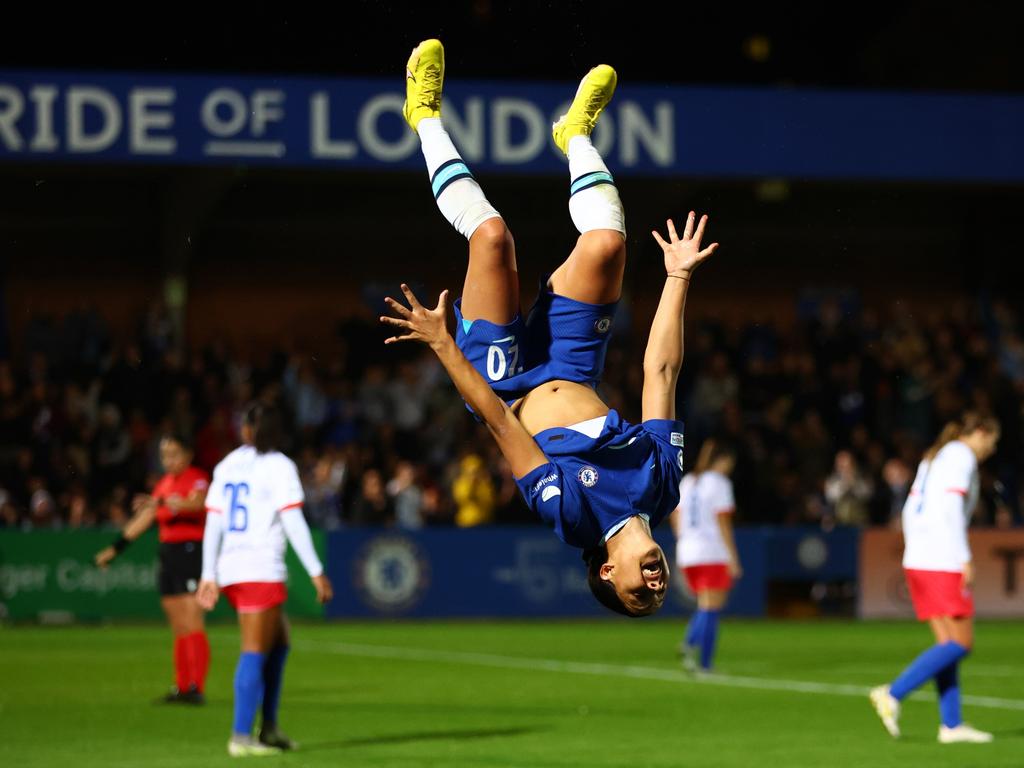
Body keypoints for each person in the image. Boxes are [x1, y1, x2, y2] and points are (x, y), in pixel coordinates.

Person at [382, 39, 718, 616]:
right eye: (659, 596)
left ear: (608, 572)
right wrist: (677, 278)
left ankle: (424, 117)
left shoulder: (571, 517)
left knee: (491, 237)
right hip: (572, 362)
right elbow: (660, 370)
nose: (656, 586)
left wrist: (443, 344)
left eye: (639, 594)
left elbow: (496, 421)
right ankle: (575, 135)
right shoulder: (663, 486)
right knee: (609, 244)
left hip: (505, 381)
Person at [196, 404, 333, 757]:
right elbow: (293, 522)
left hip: (232, 568)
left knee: (280, 642)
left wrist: (210, 574)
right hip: (259, 567)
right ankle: (241, 737)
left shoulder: (227, 464)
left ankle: (269, 727)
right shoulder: (279, 465)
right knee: (254, 651)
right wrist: (316, 571)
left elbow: (213, 521)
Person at [869, 412, 1001, 744]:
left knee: (947, 644)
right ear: (981, 432)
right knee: (961, 642)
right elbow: (951, 511)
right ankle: (893, 693)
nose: (991, 450)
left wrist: (914, 550)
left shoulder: (936, 456)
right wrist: (964, 556)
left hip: (921, 558)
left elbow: (910, 510)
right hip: (942, 558)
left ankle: (951, 726)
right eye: (992, 442)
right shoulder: (960, 456)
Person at [95, 433, 210, 703]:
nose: (168, 460)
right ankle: (182, 686)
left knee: (193, 619)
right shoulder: (165, 484)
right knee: (178, 624)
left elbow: (198, 503)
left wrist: (162, 502)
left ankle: (197, 687)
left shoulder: (196, 478)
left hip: (190, 551)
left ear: (188, 455)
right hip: (168, 554)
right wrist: (115, 549)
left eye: (173, 454)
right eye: (164, 455)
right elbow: (145, 517)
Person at [670, 438, 741, 672]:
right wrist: (732, 557)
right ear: (722, 460)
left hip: (688, 551)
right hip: (711, 551)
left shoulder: (689, 481)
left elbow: (675, 515)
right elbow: (722, 521)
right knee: (712, 607)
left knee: (705, 605)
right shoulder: (719, 483)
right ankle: (701, 659)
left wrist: (683, 540)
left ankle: (692, 645)